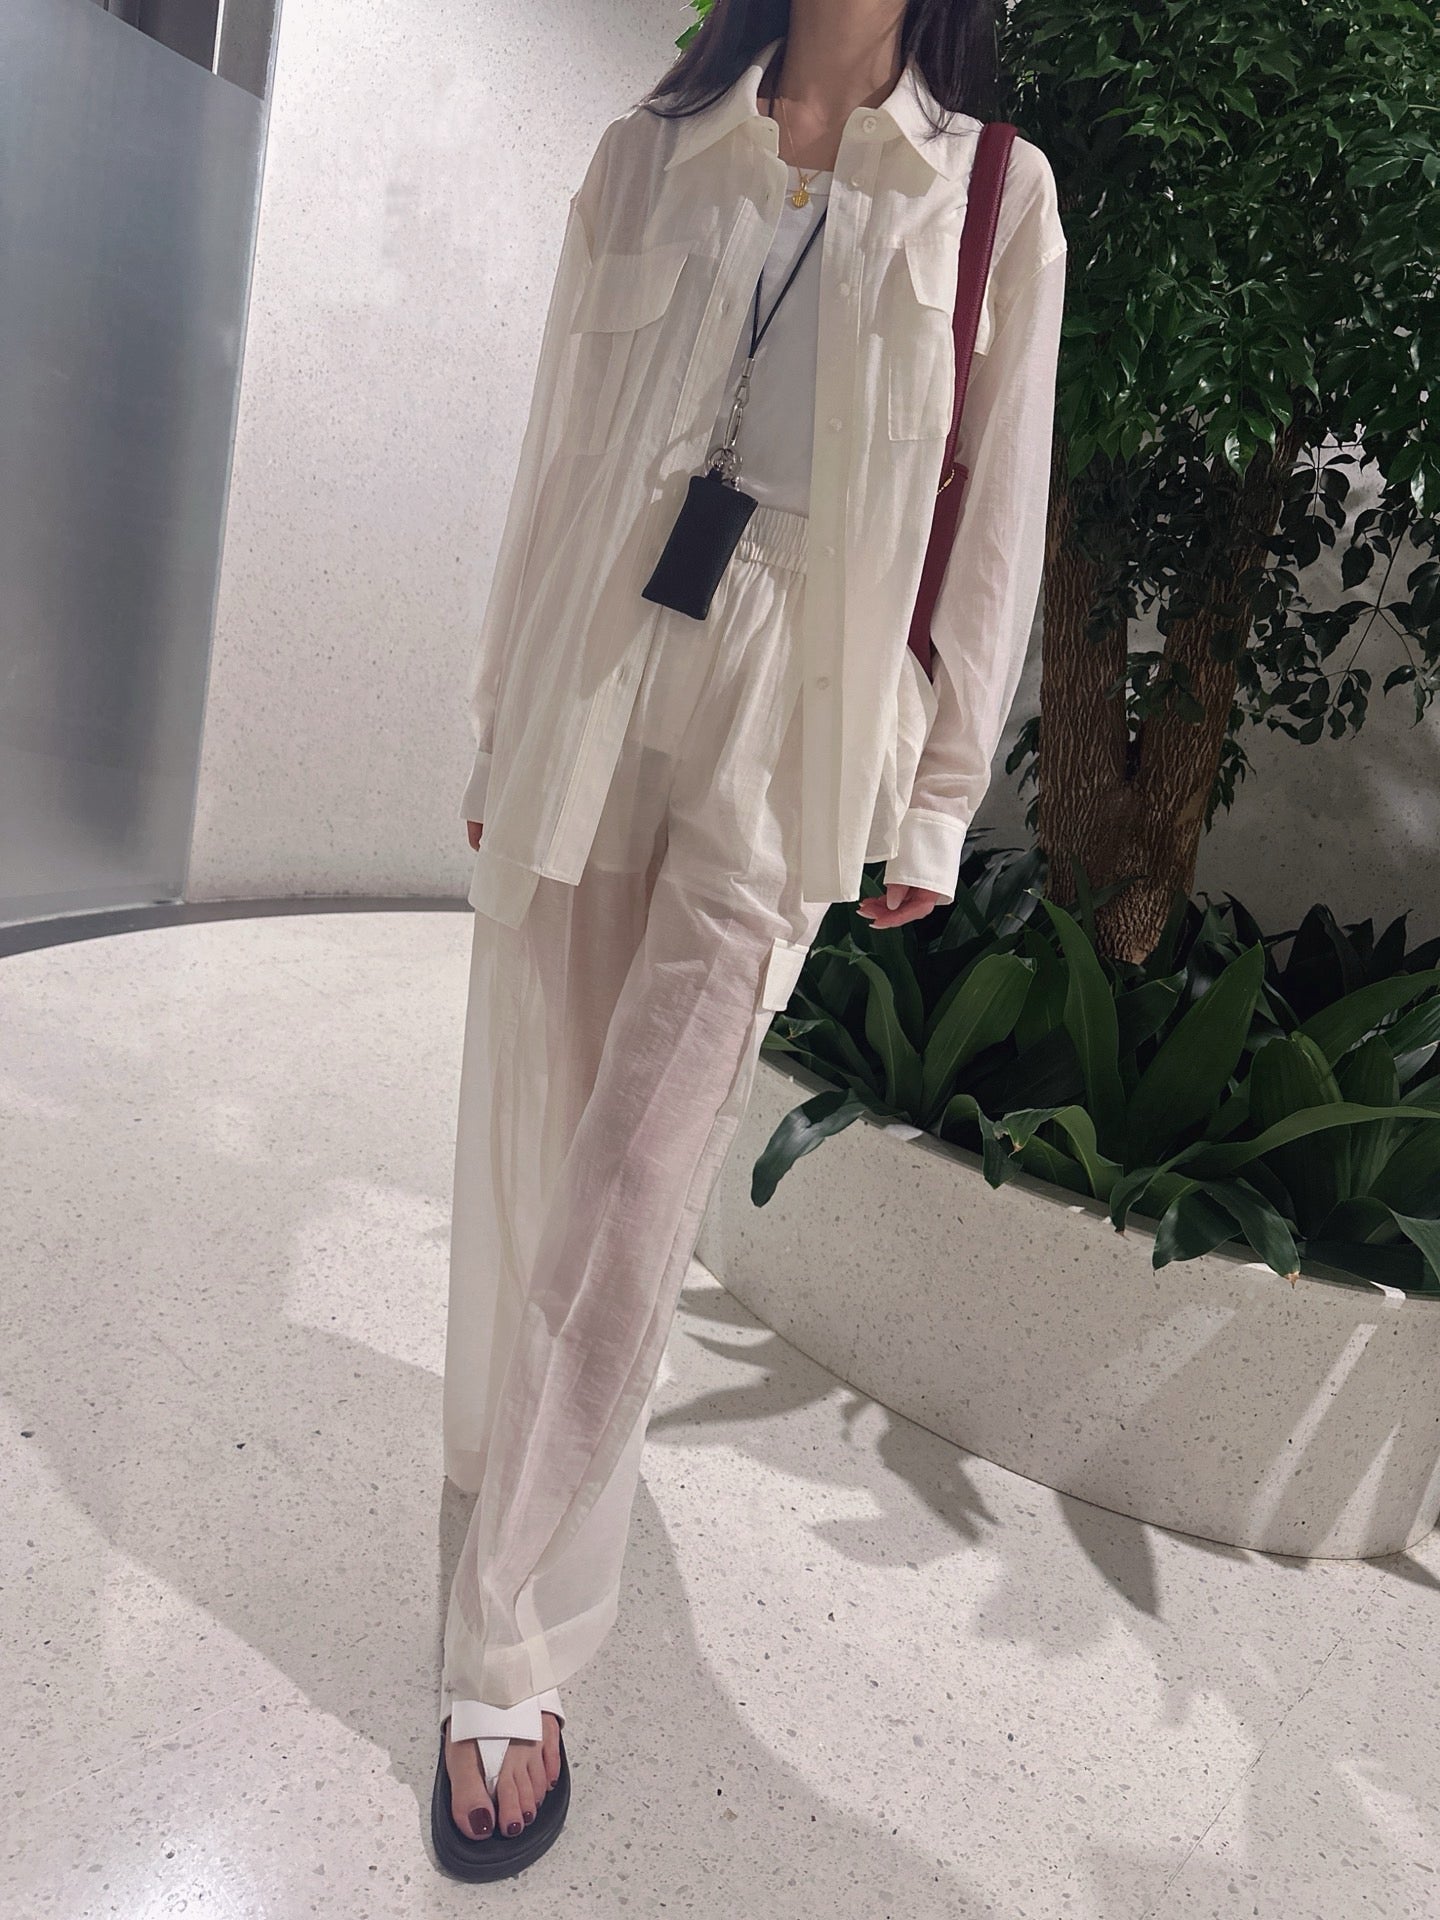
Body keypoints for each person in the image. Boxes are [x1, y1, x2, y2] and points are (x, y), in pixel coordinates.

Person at [430, 0, 1067, 1880]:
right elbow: (557, 450)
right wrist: (500, 718)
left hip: (795, 720)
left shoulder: (995, 197)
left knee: (641, 1176)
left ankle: (509, 1640)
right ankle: (508, 1471)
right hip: (598, 663)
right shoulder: (649, 150)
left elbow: (998, 525)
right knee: (549, 1119)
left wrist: (937, 799)